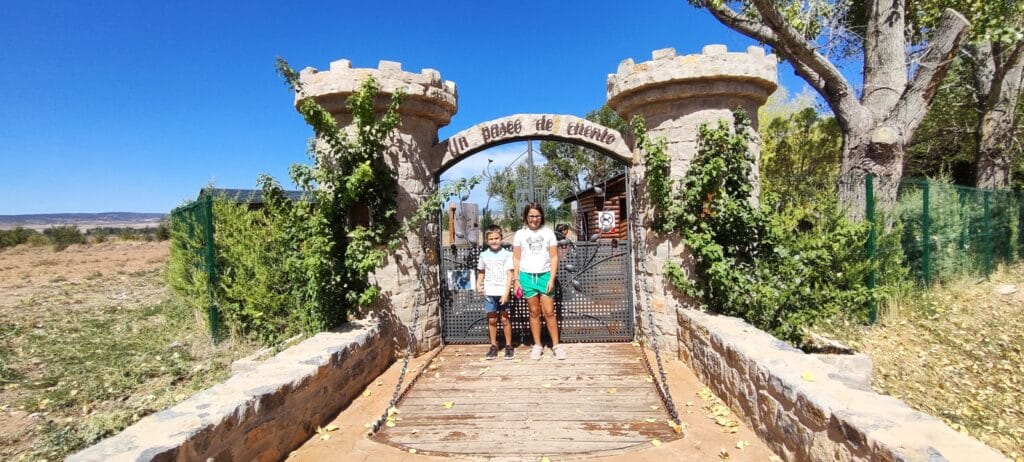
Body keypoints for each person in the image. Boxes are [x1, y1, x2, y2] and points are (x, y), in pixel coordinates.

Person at [512, 203, 567, 360]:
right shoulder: (520, 234)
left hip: (544, 277)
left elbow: (554, 257)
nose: (534, 219)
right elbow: (516, 258)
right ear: (526, 217)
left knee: (549, 312)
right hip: (526, 277)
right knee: (534, 312)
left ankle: (556, 345)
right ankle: (537, 345)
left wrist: (551, 277)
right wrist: (516, 280)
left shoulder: (548, 233)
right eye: (531, 216)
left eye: (537, 216)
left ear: (541, 216)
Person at [477, 225, 515, 360]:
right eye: (491, 239)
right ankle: (494, 345)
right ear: (487, 240)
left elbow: (510, 274)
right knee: (492, 319)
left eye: (496, 238)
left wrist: (506, 293)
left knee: (505, 319)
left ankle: (509, 346)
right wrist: (478, 284)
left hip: (502, 291)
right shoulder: (483, 255)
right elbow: (481, 272)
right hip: (489, 292)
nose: (494, 241)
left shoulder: (507, 254)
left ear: (501, 238)